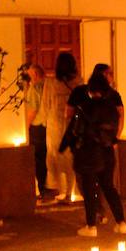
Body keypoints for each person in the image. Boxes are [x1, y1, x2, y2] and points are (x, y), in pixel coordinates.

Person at [69, 70, 126, 238]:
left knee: (89, 189)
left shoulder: (85, 107)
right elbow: (115, 129)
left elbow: (77, 130)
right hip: (108, 151)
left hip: (90, 152)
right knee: (109, 187)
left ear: (91, 89)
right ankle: (121, 223)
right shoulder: (111, 108)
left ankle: (91, 226)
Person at [41, 52, 79, 203]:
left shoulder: (50, 83)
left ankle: (60, 190)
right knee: (71, 158)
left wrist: (44, 122)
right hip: (73, 125)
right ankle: (70, 192)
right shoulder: (79, 82)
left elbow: (45, 105)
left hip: (54, 125)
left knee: (55, 157)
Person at [22, 63, 52, 202]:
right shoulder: (49, 85)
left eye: (29, 75)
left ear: (34, 74)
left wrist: (26, 126)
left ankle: (43, 189)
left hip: (37, 127)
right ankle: (50, 186)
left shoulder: (34, 89)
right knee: (47, 157)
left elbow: (32, 110)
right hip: (49, 126)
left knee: (38, 159)